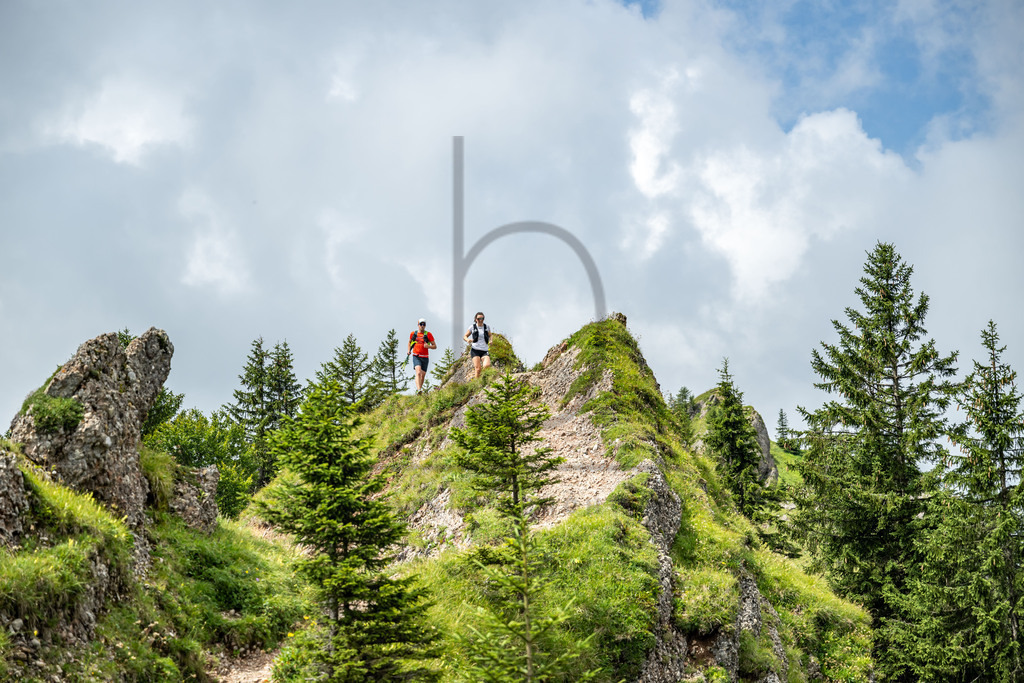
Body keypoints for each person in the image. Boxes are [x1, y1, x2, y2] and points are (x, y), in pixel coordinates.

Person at [408, 318, 436, 394]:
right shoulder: (413, 334)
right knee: (418, 373)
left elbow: (435, 346)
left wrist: (428, 346)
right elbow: (410, 342)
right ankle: (419, 389)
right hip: (416, 356)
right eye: (421, 324)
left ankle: (419, 391)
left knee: (423, 375)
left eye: (424, 324)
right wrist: (408, 351)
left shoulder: (428, 334)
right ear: (418, 325)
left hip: (425, 357)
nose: (422, 326)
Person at [463, 311, 491, 379]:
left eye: (482, 318)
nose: (480, 320)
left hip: (484, 350)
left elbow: (490, 335)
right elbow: (465, 336)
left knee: (487, 365)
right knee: (478, 369)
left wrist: (491, 340)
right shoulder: (472, 327)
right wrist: (467, 340)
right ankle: (477, 384)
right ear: (475, 319)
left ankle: (484, 379)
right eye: (478, 319)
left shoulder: (486, 327)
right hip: (475, 350)